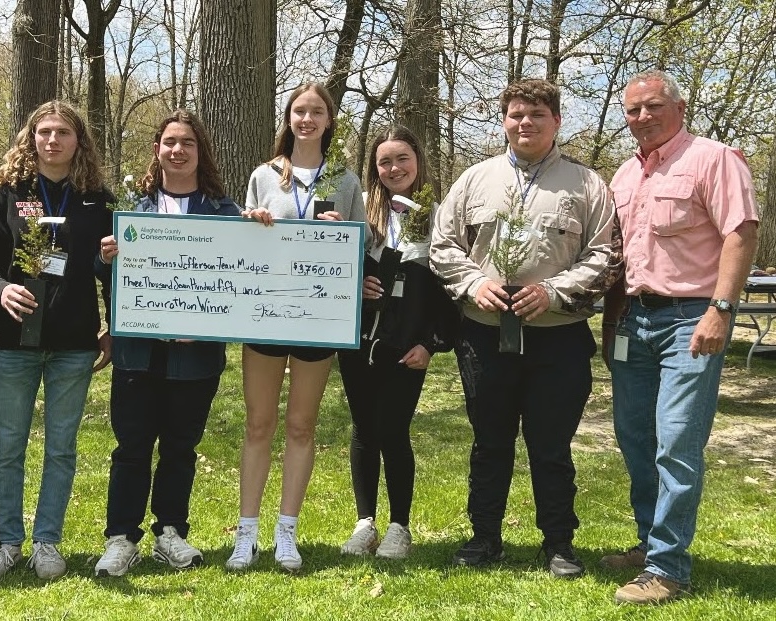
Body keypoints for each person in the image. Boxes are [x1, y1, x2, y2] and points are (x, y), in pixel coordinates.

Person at [430, 79, 621, 578]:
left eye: (537, 114)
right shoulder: (475, 180)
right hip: (485, 334)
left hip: (557, 337)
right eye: (516, 114)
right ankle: (484, 536)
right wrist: (473, 283)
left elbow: (606, 256)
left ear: (557, 121)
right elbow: (442, 245)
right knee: (489, 442)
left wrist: (554, 291)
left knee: (551, 446)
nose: (525, 123)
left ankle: (558, 543)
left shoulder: (587, 185)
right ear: (504, 121)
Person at [601, 70, 758, 605]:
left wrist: (720, 310)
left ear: (680, 107)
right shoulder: (623, 175)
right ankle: (648, 543)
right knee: (635, 437)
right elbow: (619, 260)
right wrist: (608, 322)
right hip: (634, 320)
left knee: (677, 442)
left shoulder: (714, 159)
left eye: (652, 106)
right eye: (632, 110)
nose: (641, 118)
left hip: (691, 317)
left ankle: (668, 568)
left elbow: (741, 233)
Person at [0, 100, 113, 585]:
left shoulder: (97, 201)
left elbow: (113, 271)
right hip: (13, 343)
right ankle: (8, 543)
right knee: (8, 446)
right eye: (44, 132)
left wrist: (112, 324)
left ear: (79, 141)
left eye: (63, 133)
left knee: (61, 448)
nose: (52, 140)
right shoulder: (4, 196)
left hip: (74, 344)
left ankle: (47, 541)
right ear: (31, 139)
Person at [92, 110, 241, 577]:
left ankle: (170, 532)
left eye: (187, 144)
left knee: (180, 447)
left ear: (201, 153)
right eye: (169, 142)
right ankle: (121, 537)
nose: (177, 151)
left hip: (196, 356)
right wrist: (106, 258)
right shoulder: (133, 207)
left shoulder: (224, 212)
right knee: (131, 446)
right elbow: (105, 279)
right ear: (157, 149)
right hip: (138, 352)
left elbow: (239, 282)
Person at [226, 82, 367, 572]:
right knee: (258, 424)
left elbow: (362, 251)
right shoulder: (265, 175)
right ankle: (247, 534)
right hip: (266, 314)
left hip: (318, 320)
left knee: (302, 426)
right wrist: (252, 220)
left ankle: (287, 532)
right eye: (298, 111)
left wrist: (338, 231)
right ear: (287, 119)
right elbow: (241, 242)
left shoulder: (346, 180)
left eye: (316, 112)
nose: (306, 119)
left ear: (329, 120)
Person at [337, 125, 453, 559]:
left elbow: (449, 293)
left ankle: (399, 527)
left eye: (402, 158)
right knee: (364, 430)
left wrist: (431, 344)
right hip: (358, 344)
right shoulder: (362, 214)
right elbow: (329, 269)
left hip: (408, 348)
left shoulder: (439, 216)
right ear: (374, 168)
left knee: (394, 430)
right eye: (384, 161)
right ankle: (365, 522)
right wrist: (355, 284)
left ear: (418, 161)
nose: (393, 168)